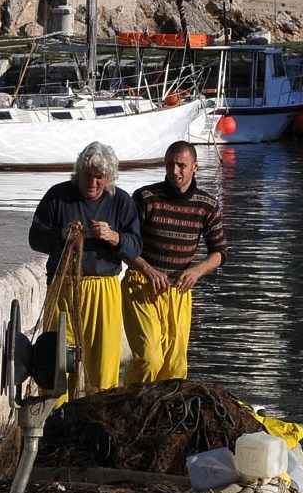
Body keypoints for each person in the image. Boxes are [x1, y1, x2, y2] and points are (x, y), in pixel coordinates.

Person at [28, 141, 141, 395]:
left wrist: (114, 237)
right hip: (63, 286)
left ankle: (98, 420)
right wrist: (61, 234)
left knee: (103, 364)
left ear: (109, 177)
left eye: (100, 177)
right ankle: (55, 419)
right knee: (56, 361)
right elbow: (35, 237)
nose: (93, 182)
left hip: (104, 289)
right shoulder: (58, 196)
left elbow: (135, 247)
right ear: (78, 172)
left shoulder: (120, 201)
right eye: (88, 175)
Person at [122, 141, 228, 384]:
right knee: (150, 358)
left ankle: (162, 412)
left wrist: (197, 271)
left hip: (179, 289)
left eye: (181, 165)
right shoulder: (146, 198)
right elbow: (124, 246)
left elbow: (220, 252)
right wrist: (147, 269)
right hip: (142, 284)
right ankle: (131, 403)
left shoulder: (207, 205)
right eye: (170, 165)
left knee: (176, 365)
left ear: (195, 167)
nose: (175, 171)